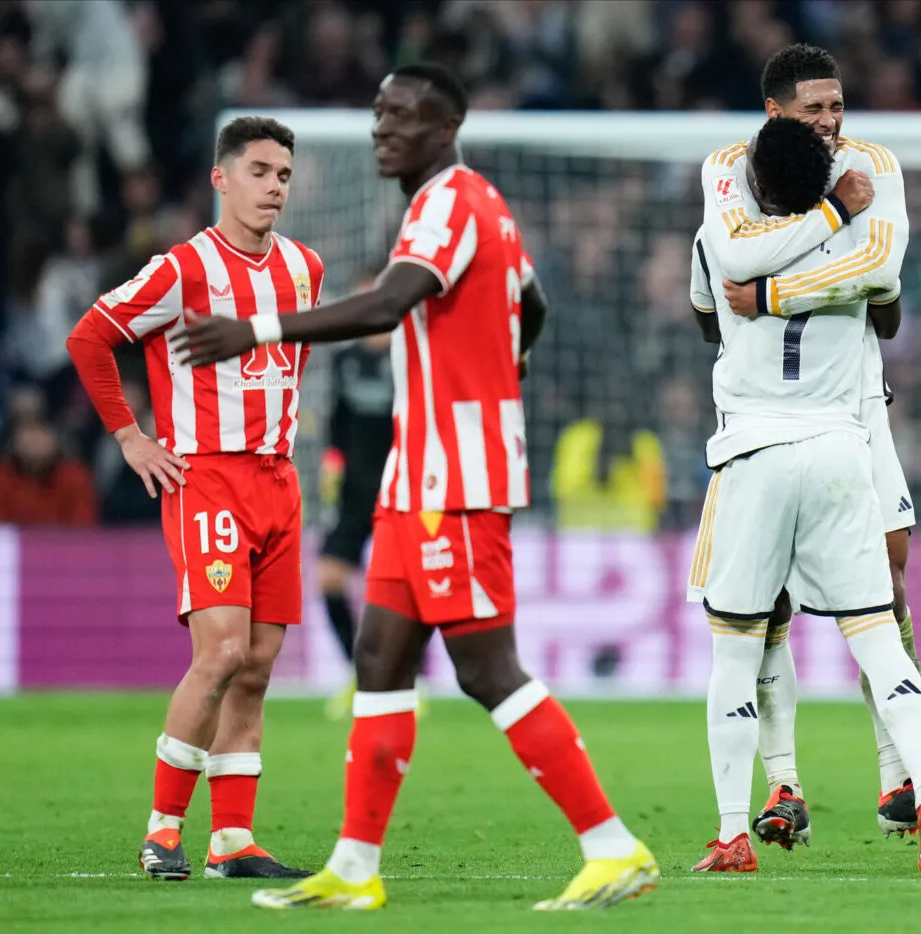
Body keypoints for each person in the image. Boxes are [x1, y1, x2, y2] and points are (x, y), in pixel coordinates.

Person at [172, 62, 658, 912]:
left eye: (402, 116)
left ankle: (612, 846)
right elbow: (533, 301)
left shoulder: (450, 202)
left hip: (456, 480)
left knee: (486, 668)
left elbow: (386, 304)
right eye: (378, 113)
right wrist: (505, 361)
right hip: (413, 480)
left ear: (446, 128)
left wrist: (254, 329)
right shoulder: (478, 206)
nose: (382, 129)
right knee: (379, 658)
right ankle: (354, 868)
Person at [695, 44, 921, 862]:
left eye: (837, 105)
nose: (830, 121)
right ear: (775, 112)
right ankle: (786, 782)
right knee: (801, 609)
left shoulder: (873, 166)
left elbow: (880, 271)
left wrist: (768, 296)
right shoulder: (728, 168)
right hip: (820, 424)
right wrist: (830, 231)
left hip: (848, 411)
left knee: (883, 581)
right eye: (814, 109)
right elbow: (860, 283)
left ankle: (896, 779)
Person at [65, 116, 320, 882]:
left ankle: (233, 842)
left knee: (260, 664)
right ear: (221, 178)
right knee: (223, 653)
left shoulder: (304, 268)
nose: (273, 187)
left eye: (283, 174)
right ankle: (162, 831)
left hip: (278, 480)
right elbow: (89, 337)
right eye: (259, 171)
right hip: (206, 477)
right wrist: (130, 437)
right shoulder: (182, 269)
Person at [317, 276, 394, 719]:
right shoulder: (344, 359)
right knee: (329, 579)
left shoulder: (409, 358)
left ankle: (403, 678)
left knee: (401, 591)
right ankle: (360, 674)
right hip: (352, 494)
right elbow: (336, 423)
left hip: (397, 490)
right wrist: (331, 462)